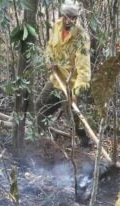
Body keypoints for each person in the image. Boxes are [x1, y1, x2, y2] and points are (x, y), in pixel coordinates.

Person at [36, 0, 91, 147]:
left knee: (74, 121)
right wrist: (49, 60)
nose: (70, 20)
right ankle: (41, 141)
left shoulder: (81, 37)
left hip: (70, 84)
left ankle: (84, 143)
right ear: (63, 15)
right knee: (39, 108)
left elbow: (84, 69)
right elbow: (49, 47)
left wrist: (76, 91)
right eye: (67, 17)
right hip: (55, 79)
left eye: (73, 17)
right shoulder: (57, 26)